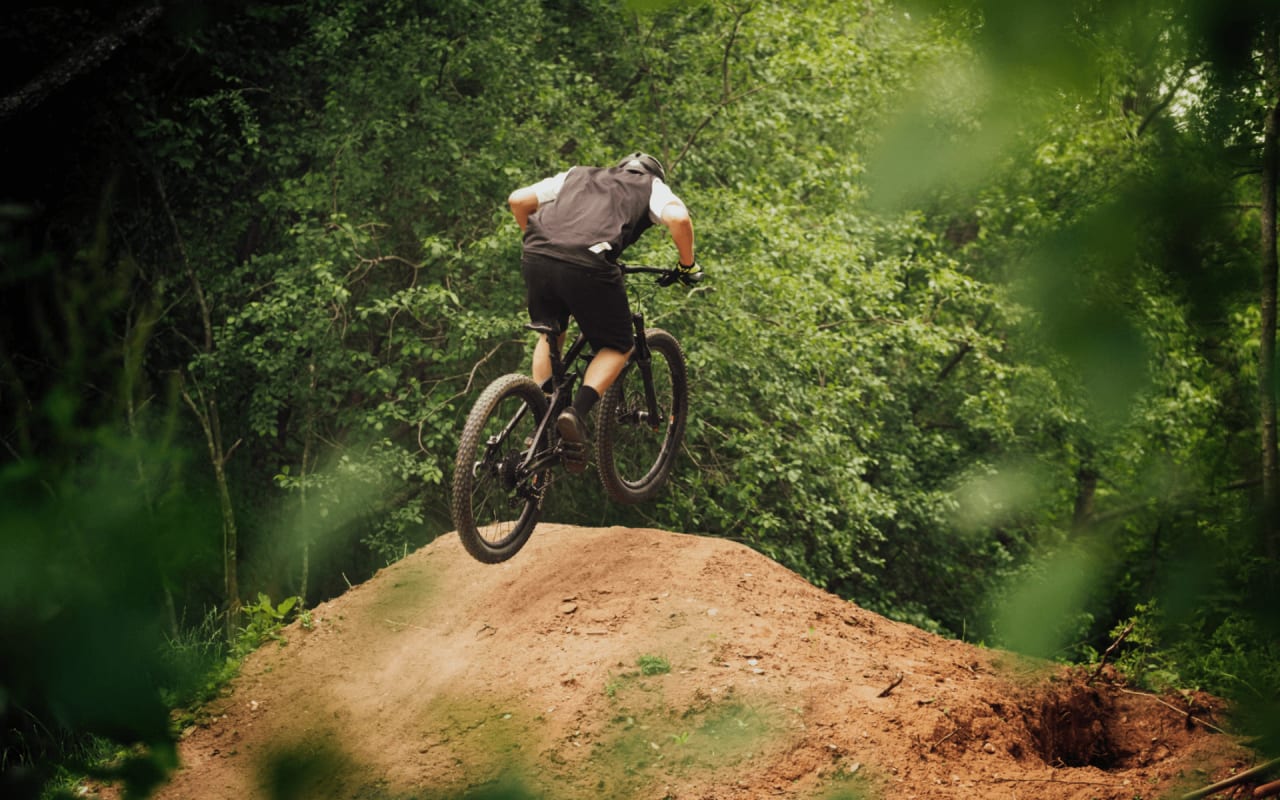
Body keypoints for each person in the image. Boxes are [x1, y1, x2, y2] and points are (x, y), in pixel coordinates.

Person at [508, 151, 698, 471]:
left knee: (550, 332)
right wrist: (687, 266)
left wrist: (545, 244)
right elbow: (679, 219)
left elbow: (518, 200)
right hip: (589, 264)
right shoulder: (650, 186)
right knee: (618, 345)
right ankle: (575, 413)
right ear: (653, 175)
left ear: (620, 166)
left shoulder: (577, 174)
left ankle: (544, 416)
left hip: (536, 253)